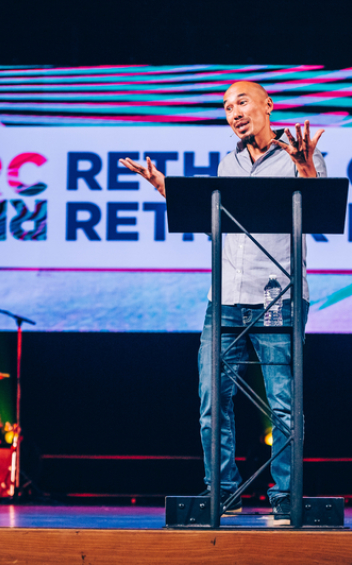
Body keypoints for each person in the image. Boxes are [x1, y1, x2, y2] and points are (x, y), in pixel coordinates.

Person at [119, 81, 326, 519]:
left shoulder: (297, 155)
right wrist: (163, 187)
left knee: (284, 403)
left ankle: (288, 497)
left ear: (269, 106)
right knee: (212, 400)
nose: (233, 112)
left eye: (242, 102)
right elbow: (206, 213)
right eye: (227, 107)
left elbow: (317, 207)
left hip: (279, 297)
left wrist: (305, 167)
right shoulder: (226, 164)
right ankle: (223, 492)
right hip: (225, 300)